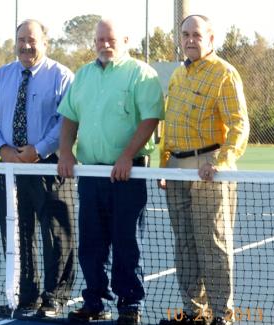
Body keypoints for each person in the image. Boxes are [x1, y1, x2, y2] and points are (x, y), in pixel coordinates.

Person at [57, 18, 164, 325]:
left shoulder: (141, 74)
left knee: (126, 242)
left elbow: (151, 119)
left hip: (127, 176)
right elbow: (69, 117)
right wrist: (66, 151)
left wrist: (127, 156)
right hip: (91, 175)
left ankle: (130, 305)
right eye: (100, 39)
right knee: (91, 243)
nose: (104, 44)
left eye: (111, 39)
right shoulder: (84, 75)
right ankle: (94, 301)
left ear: (126, 40)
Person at [0, 19, 75, 318]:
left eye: (32, 40)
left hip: (47, 166)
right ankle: (27, 295)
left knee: (56, 234)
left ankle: (54, 297)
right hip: (9, 166)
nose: (26, 45)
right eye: (21, 39)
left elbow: (67, 121)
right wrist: (3, 149)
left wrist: (39, 149)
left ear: (45, 42)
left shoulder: (61, 76)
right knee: (17, 232)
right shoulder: (0, 76)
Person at [158, 15, 249, 325]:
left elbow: (239, 124)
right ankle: (194, 313)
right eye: (185, 34)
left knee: (213, 242)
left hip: (208, 168)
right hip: (176, 168)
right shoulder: (177, 76)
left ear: (211, 39)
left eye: (197, 34)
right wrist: (163, 165)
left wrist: (220, 162)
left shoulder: (225, 73)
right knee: (183, 242)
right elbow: (168, 124)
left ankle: (223, 315)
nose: (190, 39)